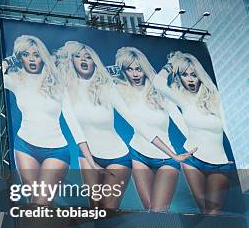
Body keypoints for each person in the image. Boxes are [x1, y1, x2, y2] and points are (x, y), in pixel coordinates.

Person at [57, 41, 190, 210]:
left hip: (117, 156)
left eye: (88, 57)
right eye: (78, 56)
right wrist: (91, 162)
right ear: (71, 61)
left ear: (94, 61)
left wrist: (172, 154)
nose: (83, 60)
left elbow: (136, 121)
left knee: (109, 210)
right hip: (87, 156)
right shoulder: (64, 90)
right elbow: (74, 127)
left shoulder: (107, 87)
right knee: (95, 209)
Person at [2, 35, 87, 205]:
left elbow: (71, 118)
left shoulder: (57, 82)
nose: (32, 59)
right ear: (19, 58)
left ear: (43, 57)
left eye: (36, 54)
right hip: (24, 146)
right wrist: (8, 62)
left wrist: (88, 156)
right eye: (26, 55)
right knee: (32, 202)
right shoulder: (16, 81)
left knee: (41, 203)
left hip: (56, 151)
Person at [153, 51, 233, 214]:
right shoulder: (183, 99)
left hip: (220, 163)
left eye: (193, 74)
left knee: (214, 212)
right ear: (180, 77)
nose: (190, 78)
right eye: (184, 74)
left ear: (200, 76)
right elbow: (158, 82)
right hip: (192, 160)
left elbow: (228, 126)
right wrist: (171, 65)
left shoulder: (215, 98)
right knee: (204, 210)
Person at [115, 47, 194, 212]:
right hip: (138, 155)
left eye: (138, 68)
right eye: (129, 69)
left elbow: (178, 118)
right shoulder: (120, 91)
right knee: (150, 211)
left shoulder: (160, 92)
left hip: (167, 158)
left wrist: (197, 144)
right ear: (123, 70)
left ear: (144, 68)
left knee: (158, 212)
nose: (135, 74)